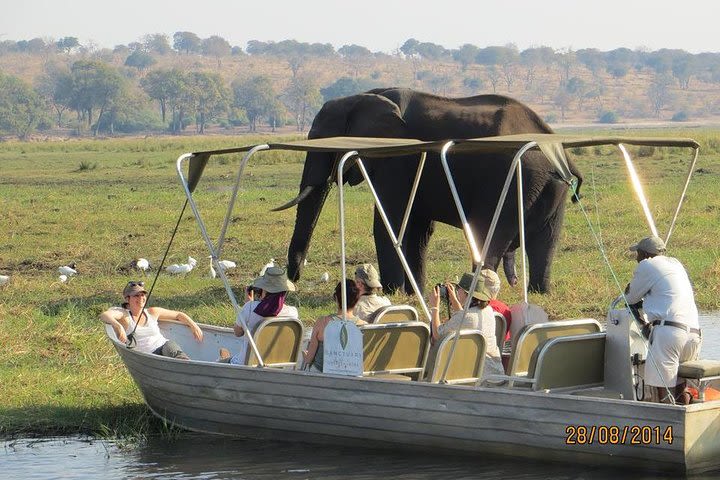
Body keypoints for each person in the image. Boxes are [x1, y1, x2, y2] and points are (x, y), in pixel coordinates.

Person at [625, 235, 701, 405]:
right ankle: (686, 416)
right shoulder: (676, 264)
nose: (636, 258)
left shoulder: (646, 265)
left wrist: (630, 290)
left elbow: (630, 298)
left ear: (644, 254)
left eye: (637, 254)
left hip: (670, 335)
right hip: (694, 335)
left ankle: (670, 427)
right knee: (680, 386)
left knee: (664, 389)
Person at [426, 270, 504, 382]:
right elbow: (464, 318)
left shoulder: (466, 317)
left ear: (466, 293)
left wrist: (435, 308)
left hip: (477, 379)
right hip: (494, 374)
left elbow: (438, 335)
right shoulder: (488, 311)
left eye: (459, 289)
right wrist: (453, 298)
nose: (457, 292)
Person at [100, 281, 203, 359]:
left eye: (143, 295)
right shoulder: (125, 315)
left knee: (176, 353)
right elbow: (104, 315)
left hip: (163, 346)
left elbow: (178, 315)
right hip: (147, 357)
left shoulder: (152, 312)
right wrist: (117, 326)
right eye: (136, 295)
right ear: (127, 299)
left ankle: (189, 366)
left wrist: (193, 326)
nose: (141, 298)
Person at [219, 266, 298, 364]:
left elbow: (238, 333)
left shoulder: (250, 308)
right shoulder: (293, 313)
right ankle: (227, 357)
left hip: (247, 364)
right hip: (278, 364)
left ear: (264, 289)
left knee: (221, 362)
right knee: (228, 357)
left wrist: (248, 305)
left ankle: (225, 359)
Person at [303, 279, 367, 373]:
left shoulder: (322, 323)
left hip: (321, 375)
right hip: (351, 375)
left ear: (336, 298)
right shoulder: (364, 327)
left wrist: (305, 355)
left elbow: (309, 359)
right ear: (357, 300)